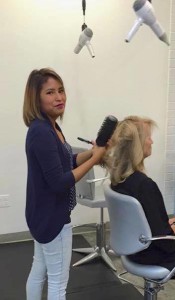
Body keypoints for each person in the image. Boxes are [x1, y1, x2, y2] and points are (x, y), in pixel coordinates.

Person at [23, 68, 106, 300]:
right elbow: (60, 182)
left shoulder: (51, 127)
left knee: (39, 271)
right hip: (52, 218)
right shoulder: (42, 132)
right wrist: (96, 160)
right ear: (36, 98)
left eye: (61, 90)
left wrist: (91, 153)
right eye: (50, 92)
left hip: (42, 214)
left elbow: (66, 161)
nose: (59, 97)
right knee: (58, 284)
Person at [102, 115, 175, 298]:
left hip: (133, 249)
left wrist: (172, 220)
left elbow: (146, 220)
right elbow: (163, 238)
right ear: (138, 145)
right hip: (154, 254)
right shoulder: (145, 185)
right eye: (148, 137)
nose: (152, 141)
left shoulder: (118, 180)